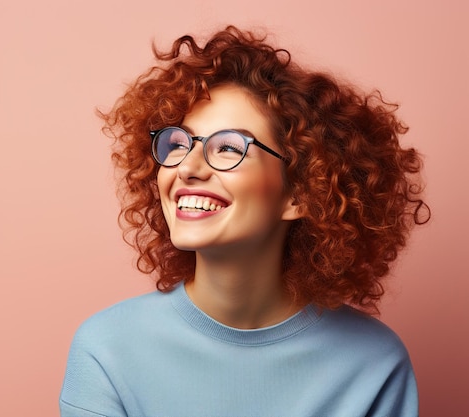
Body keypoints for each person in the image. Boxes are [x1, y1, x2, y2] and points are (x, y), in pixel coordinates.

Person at [59, 25, 429, 417]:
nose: (187, 167)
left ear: (301, 192)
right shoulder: (107, 352)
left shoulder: (375, 367)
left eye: (229, 147)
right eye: (179, 143)